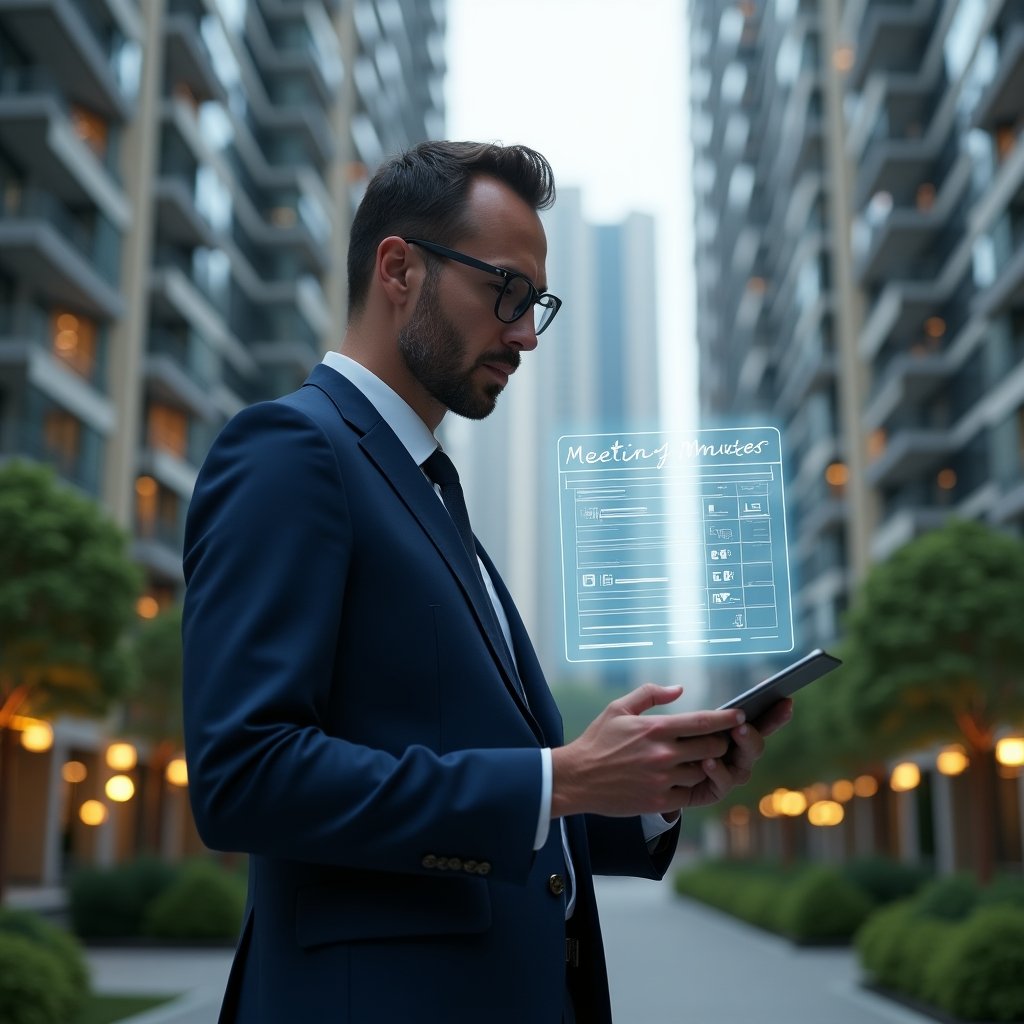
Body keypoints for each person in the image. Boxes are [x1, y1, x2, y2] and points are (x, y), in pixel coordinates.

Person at [182, 140, 791, 1024]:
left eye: (536, 303)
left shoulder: (426, 487)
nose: (526, 334)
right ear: (400, 269)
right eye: (506, 292)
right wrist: (561, 779)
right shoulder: (291, 450)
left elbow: (479, 773)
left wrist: (646, 791)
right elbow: (246, 774)